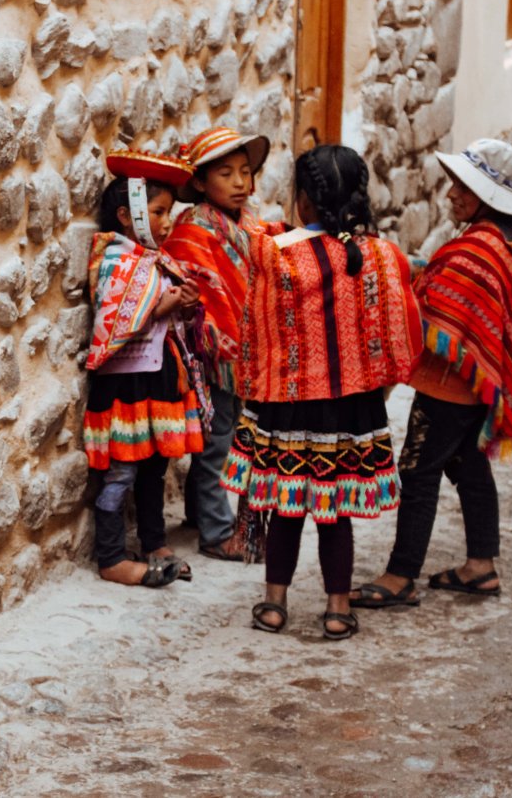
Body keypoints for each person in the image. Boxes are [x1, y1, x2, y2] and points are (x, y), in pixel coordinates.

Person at [220, 145, 422, 639]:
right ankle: (336, 609)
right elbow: (402, 335)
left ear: (305, 202)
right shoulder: (380, 256)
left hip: (289, 406)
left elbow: (258, 330)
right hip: (352, 411)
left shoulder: (278, 257)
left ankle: (274, 604)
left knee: (287, 507)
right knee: (336, 514)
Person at [351, 139, 512, 608]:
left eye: (462, 188)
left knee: (418, 471)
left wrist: (394, 281)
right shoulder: (495, 243)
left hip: (449, 388)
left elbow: (440, 309)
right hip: (474, 385)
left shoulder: (476, 250)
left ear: (486, 197)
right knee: (468, 467)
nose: (451, 194)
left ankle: (400, 574)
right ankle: (481, 566)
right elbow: (448, 290)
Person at [83, 149, 208, 587]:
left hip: (158, 378)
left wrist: (186, 307)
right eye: (157, 211)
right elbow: (112, 316)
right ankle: (113, 557)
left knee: (155, 463)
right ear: (126, 214)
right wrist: (160, 307)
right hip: (126, 383)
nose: (167, 221)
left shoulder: (157, 259)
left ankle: (155, 543)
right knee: (121, 469)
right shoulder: (114, 258)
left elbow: (170, 316)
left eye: (168, 212)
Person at [160, 127, 277, 561]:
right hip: (213, 354)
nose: (240, 182)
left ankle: (198, 513)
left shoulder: (249, 223)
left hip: (243, 351)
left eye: (245, 172)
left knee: (223, 437)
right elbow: (195, 282)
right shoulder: (193, 227)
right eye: (226, 173)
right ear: (201, 182)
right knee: (218, 444)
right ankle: (216, 531)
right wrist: (219, 336)